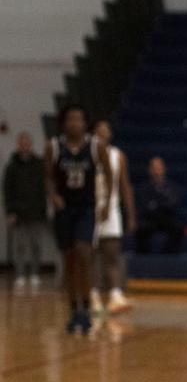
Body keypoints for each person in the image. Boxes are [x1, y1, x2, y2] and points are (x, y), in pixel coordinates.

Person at [45, 104, 112, 335]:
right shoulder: (54, 147)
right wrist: (53, 195)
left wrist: (105, 205)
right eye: (70, 119)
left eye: (79, 119)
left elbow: (109, 174)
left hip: (86, 208)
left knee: (84, 252)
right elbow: (48, 177)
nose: (75, 123)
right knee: (70, 260)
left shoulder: (95, 147)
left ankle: (86, 308)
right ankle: (75, 311)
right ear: (64, 123)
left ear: (86, 123)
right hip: (64, 210)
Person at [91, 120, 136, 314]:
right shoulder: (88, 154)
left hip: (112, 210)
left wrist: (131, 214)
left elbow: (125, 186)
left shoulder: (118, 156)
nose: (102, 134)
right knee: (91, 255)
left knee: (112, 252)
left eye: (106, 130)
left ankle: (115, 295)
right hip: (90, 209)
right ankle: (92, 295)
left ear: (110, 134)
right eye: (98, 131)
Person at [4, 131, 47, 291]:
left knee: (36, 244)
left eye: (27, 142)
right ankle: (20, 275)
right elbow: (7, 190)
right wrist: (10, 212)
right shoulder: (12, 166)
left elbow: (43, 189)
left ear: (31, 144)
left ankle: (35, 273)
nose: (24, 145)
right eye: (21, 142)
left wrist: (44, 210)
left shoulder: (39, 164)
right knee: (20, 245)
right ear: (18, 145)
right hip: (18, 212)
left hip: (36, 211)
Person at [135, 156, 183, 254]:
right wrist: (159, 205)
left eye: (159, 167)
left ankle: (169, 256)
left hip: (167, 217)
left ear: (164, 168)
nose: (157, 170)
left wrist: (155, 205)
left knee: (178, 227)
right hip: (150, 219)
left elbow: (173, 204)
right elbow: (144, 205)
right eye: (154, 167)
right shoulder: (143, 188)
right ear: (149, 170)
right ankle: (144, 256)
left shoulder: (172, 187)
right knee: (142, 228)